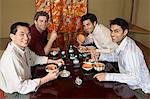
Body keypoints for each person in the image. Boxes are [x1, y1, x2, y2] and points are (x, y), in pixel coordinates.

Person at [0, 22, 64, 95]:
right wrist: (47, 78)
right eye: (22, 34)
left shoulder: (23, 47)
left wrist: (54, 61)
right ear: (12, 36)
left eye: (28, 34)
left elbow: (35, 59)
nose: (26, 38)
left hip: (28, 82)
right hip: (16, 93)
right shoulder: (11, 57)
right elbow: (21, 87)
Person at [93, 18, 150, 98]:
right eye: (111, 31)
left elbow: (135, 79)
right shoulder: (124, 42)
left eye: (116, 31)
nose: (112, 34)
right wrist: (101, 56)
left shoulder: (130, 52)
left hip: (139, 90)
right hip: (129, 84)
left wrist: (107, 76)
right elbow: (116, 56)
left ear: (125, 32)